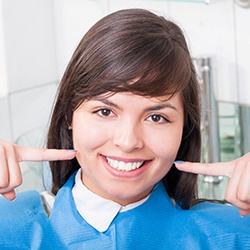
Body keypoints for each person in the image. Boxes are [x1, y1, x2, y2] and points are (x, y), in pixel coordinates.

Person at [0, 8, 249, 249]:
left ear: (184, 128)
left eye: (156, 117)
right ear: (69, 116)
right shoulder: (11, 227)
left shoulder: (232, 232)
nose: (128, 141)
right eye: (105, 111)